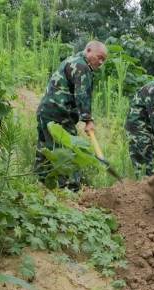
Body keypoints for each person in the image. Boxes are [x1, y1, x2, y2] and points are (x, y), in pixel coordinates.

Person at [35, 40, 107, 191]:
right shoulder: (82, 66)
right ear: (88, 51)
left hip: (45, 111)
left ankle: (40, 186)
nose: (100, 62)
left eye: (103, 60)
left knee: (45, 148)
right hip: (59, 115)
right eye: (99, 57)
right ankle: (70, 190)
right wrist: (88, 120)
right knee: (71, 148)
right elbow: (82, 95)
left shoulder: (71, 60)